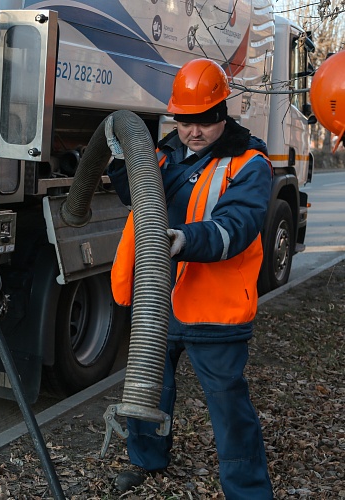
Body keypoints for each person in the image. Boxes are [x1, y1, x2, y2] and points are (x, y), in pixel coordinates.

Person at [105, 58, 274, 499]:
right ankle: (146, 459)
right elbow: (133, 193)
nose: (192, 131)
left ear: (222, 113)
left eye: (203, 121)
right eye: (184, 121)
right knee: (149, 386)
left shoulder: (250, 164)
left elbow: (237, 225)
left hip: (212, 310)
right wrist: (120, 159)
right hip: (158, 299)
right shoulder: (163, 153)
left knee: (229, 406)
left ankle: (248, 490)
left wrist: (184, 239)